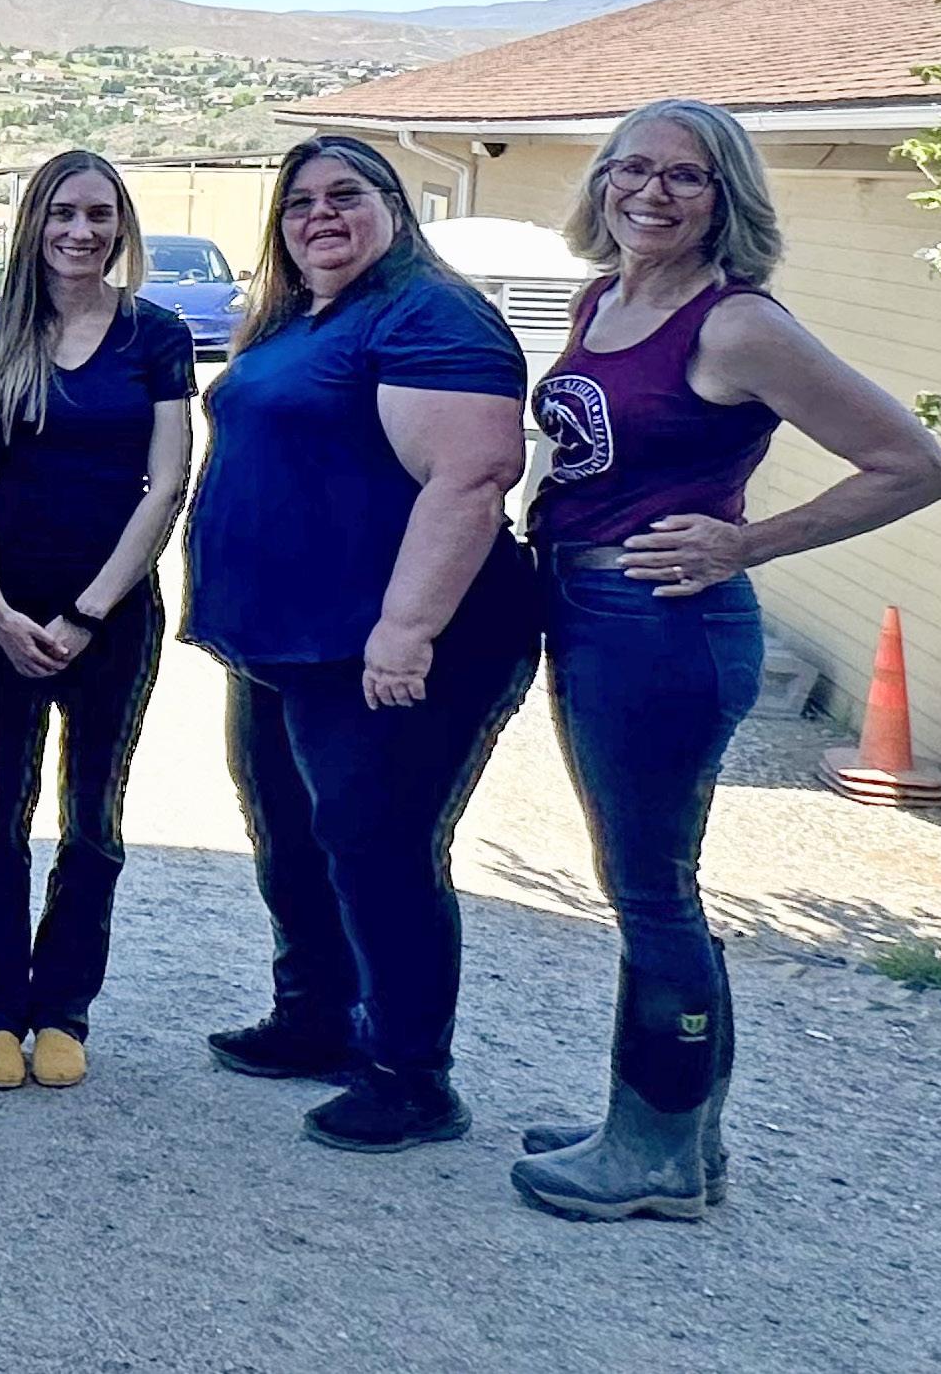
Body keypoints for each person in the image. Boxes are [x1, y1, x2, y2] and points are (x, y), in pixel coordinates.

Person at [509, 100, 941, 1221]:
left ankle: (653, 1151)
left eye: (685, 177)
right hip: (587, 606)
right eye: (630, 169)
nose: (649, 192)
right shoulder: (604, 298)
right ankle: (670, 1131)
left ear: (726, 199)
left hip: (662, 624)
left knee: (651, 888)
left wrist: (747, 542)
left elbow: (911, 464)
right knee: (644, 881)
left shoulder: (736, 324)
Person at [184, 135, 538, 1151]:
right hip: (289, 645)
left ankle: (410, 1074)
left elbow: (471, 476)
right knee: (293, 832)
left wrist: (405, 629)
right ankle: (315, 1018)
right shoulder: (308, 313)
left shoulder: (430, 312)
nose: (320, 215)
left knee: (379, 848)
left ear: (395, 205)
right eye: (299, 202)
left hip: (391, 649)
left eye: (346, 194)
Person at [0, 151, 195, 1089]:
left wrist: (90, 611)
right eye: (62, 213)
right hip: (7, 607)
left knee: (92, 818)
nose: (80, 231)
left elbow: (167, 481)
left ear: (121, 224)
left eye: (98, 213)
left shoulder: (155, 335)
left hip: (113, 614)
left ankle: (63, 1009)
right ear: (34, 224)